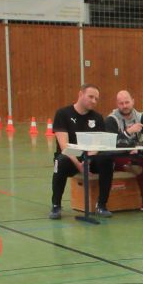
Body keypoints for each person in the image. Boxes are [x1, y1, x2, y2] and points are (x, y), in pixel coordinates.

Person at [49, 84, 114, 219]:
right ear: (80, 94)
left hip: (89, 158)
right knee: (60, 161)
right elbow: (64, 146)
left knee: (107, 159)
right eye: (91, 97)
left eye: (96, 99)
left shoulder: (97, 117)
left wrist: (88, 160)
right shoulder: (63, 114)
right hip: (71, 157)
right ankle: (56, 205)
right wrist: (79, 165)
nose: (94, 101)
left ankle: (101, 205)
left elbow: (99, 144)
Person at [104, 90, 143, 213]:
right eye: (121, 103)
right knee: (142, 163)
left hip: (134, 154)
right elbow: (113, 143)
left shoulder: (139, 117)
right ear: (117, 104)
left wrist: (139, 148)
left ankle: (134, 162)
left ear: (133, 101)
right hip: (115, 156)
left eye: (127, 102)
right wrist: (129, 131)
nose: (124, 106)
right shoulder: (111, 120)